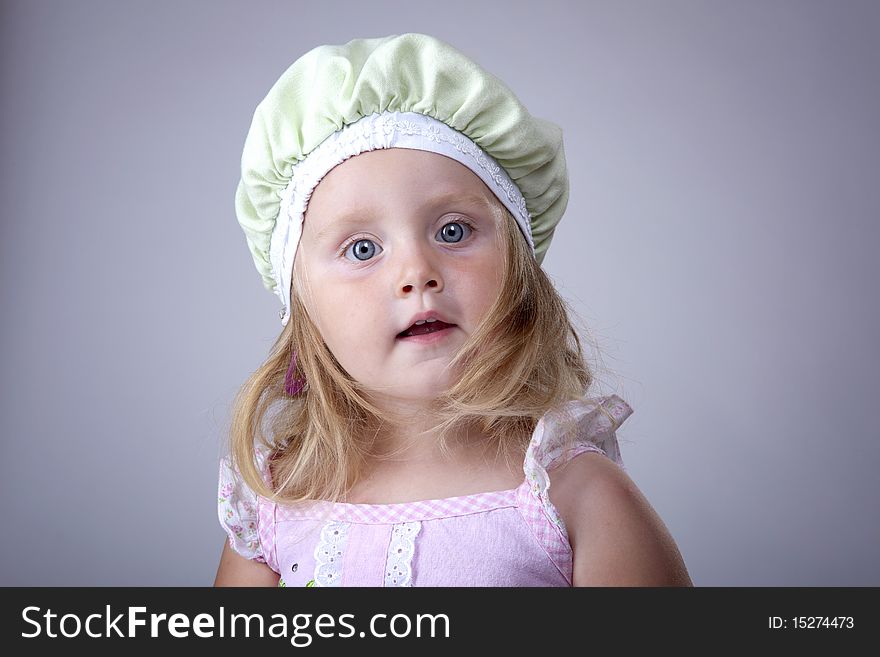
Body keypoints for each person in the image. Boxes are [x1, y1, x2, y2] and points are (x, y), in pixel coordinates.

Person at [214, 33, 692, 587]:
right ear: (302, 309)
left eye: (453, 230)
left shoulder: (577, 499)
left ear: (519, 272)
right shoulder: (277, 504)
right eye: (362, 249)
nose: (417, 271)